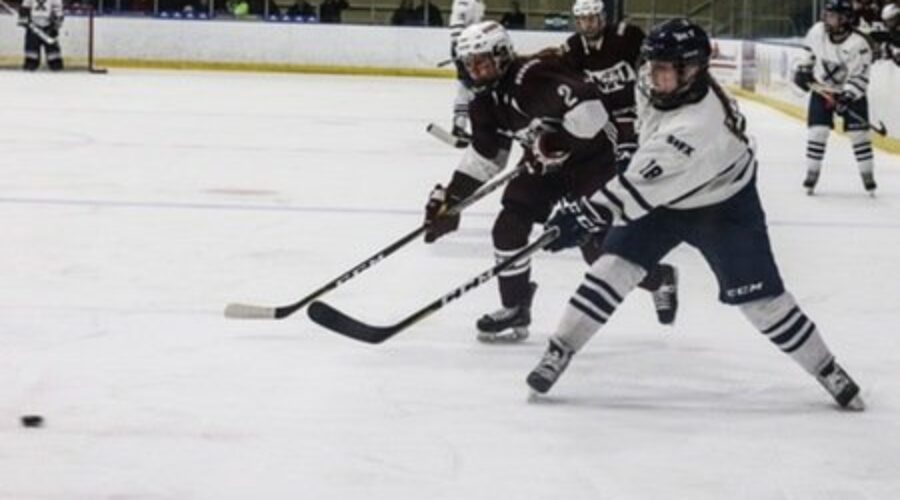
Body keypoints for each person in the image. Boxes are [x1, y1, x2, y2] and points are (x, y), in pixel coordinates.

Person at [526, 18, 864, 412]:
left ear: (693, 70)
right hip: (666, 195)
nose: (655, 79)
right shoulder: (651, 80)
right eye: (653, 68)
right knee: (611, 268)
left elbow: (637, 186)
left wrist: (584, 214)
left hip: (724, 207)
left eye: (666, 71)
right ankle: (560, 349)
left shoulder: (698, 125)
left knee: (762, 303)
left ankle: (826, 367)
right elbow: (637, 136)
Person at [423, 21, 678, 343]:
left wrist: (558, 141)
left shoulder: (532, 76)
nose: (476, 71)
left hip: (594, 161)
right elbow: (487, 156)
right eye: (469, 64)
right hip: (546, 166)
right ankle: (515, 307)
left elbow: (592, 112)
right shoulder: (484, 100)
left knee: (597, 251)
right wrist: (453, 198)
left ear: (502, 55)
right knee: (509, 225)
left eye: (482, 61)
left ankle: (659, 278)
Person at [793, 0, 876, 195]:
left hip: (851, 94)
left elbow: (860, 77)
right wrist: (803, 70)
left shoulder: (859, 44)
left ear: (845, 19)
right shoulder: (817, 31)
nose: (826, 19)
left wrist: (847, 97)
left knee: (859, 136)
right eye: (827, 15)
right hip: (822, 89)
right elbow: (808, 53)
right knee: (817, 132)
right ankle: (811, 174)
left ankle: (868, 176)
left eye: (832, 16)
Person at [448, 0, 486, 140]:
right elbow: (458, 25)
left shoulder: (476, 2)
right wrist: (461, 49)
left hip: (473, 49)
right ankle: (476, 126)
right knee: (476, 88)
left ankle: (459, 124)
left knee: (466, 88)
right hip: (467, 49)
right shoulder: (464, 2)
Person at [18, 0, 64, 71]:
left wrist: (55, 26)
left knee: (54, 56)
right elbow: (24, 8)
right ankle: (30, 68)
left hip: (49, 28)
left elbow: (59, 13)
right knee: (31, 54)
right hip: (33, 27)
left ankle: (56, 68)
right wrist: (24, 18)